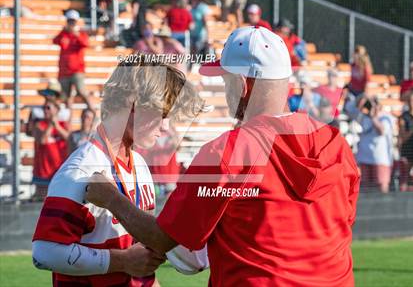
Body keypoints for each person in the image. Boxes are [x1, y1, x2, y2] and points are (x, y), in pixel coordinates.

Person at [86, 26, 360, 286]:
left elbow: (162, 239)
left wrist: (110, 198)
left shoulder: (227, 151)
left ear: (242, 85)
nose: (224, 89)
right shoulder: (337, 145)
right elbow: (337, 226)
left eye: (225, 80)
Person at [32, 59, 205, 286]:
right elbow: (44, 252)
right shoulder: (82, 170)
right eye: (161, 114)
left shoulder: (140, 164)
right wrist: (119, 261)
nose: (165, 127)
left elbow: (140, 251)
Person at [345, 94, 394, 193]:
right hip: (364, 158)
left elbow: (382, 130)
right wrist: (362, 98)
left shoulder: (386, 117)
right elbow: (348, 108)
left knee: (382, 187)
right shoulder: (363, 117)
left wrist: (373, 117)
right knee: (365, 187)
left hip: (380, 160)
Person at [53, 10, 93, 110]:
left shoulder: (81, 34)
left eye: (73, 21)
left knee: (81, 91)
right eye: (69, 21)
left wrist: (76, 34)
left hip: (77, 70)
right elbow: (55, 41)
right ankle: (68, 120)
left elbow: (86, 44)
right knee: (66, 97)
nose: (71, 24)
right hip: (64, 71)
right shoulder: (63, 34)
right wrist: (63, 31)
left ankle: (93, 111)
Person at [32, 99, 69, 201]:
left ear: (56, 110)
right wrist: (51, 125)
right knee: (42, 204)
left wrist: (56, 125)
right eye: (44, 108)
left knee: (58, 201)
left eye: (48, 108)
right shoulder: (39, 125)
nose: (45, 111)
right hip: (43, 172)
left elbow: (69, 138)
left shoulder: (63, 124)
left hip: (59, 172)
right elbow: (42, 140)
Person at [398, 89, 413, 191]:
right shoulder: (403, 117)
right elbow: (403, 137)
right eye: (410, 101)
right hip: (408, 151)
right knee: (404, 178)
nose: (412, 103)